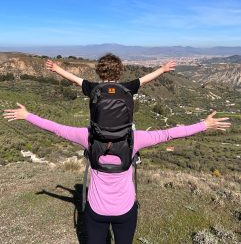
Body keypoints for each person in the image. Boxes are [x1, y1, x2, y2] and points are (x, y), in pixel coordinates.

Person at [3, 103, 230, 244]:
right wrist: (204, 124)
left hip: (95, 211)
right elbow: (170, 134)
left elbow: (55, 127)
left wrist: (27, 115)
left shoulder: (87, 136)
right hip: (125, 210)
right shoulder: (136, 139)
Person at [46, 53, 176, 98]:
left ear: (99, 72)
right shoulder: (127, 88)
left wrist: (57, 69)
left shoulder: (93, 88)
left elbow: (74, 78)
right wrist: (163, 69)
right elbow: (145, 79)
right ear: (119, 71)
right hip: (122, 137)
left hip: (99, 135)